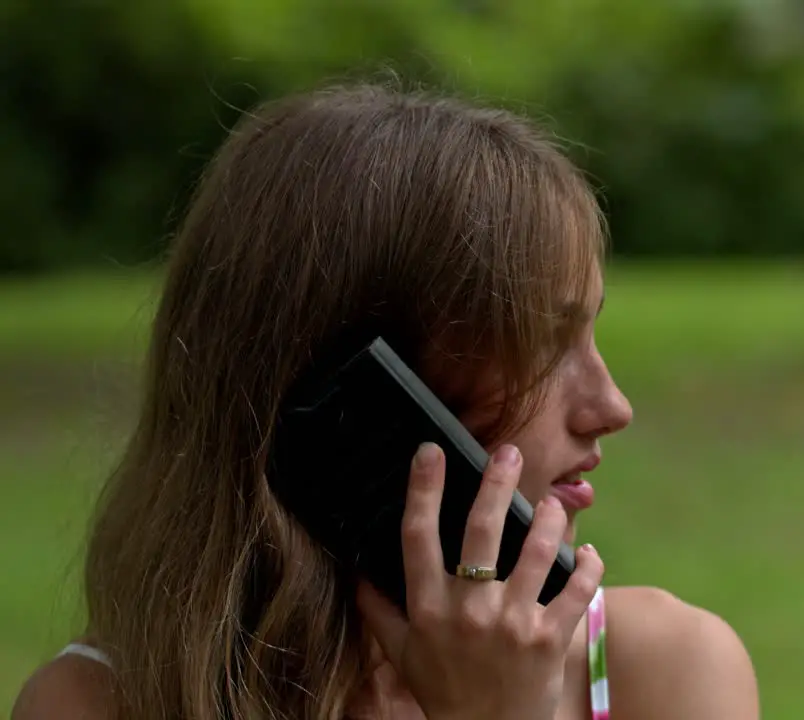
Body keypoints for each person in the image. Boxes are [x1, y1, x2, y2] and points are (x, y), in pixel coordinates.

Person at [13, 83, 759, 719]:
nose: (611, 405)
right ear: (351, 392)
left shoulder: (664, 672)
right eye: (541, 345)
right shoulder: (96, 703)